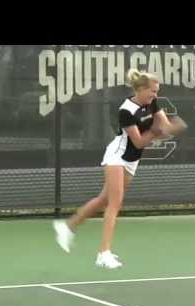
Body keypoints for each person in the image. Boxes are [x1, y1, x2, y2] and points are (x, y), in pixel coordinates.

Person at [52, 68, 187, 269]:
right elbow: (140, 141)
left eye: (157, 91)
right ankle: (103, 254)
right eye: (152, 91)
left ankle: (67, 226)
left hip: (132, 160)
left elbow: (165, 127)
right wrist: (155, 132)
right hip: (117, 155)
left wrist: (173, 128)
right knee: (114, 204)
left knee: (103, 199)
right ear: (140, 89)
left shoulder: (152, 103)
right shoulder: (126, 111)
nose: (155, 95)